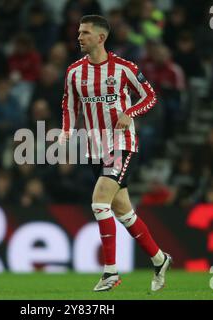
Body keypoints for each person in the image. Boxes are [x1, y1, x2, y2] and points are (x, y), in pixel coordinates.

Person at [59, 15, 172, 292]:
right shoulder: (74, 71)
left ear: (101, 37)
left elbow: (150, 96)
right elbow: (69, 106)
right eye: (78, 32)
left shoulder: (124, 68)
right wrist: (66, 131)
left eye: (85, 33)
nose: (79, 37)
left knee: (99, 202)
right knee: (124, 211)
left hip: (121, 144)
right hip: (94, 148)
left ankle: (110, 271)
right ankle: (159, 260)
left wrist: (129, 113)